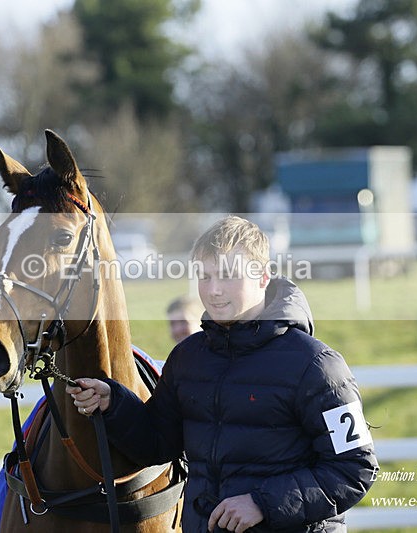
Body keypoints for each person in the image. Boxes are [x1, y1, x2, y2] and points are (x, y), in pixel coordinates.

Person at [67, 215, 378, 532]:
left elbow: (355, 468)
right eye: (204, 275)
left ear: (262, 277)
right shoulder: (187, 358)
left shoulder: (318, 365)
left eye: (228, 275)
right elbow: (158, 443)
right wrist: (115, 404)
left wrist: (262, 503)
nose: (213, 290)